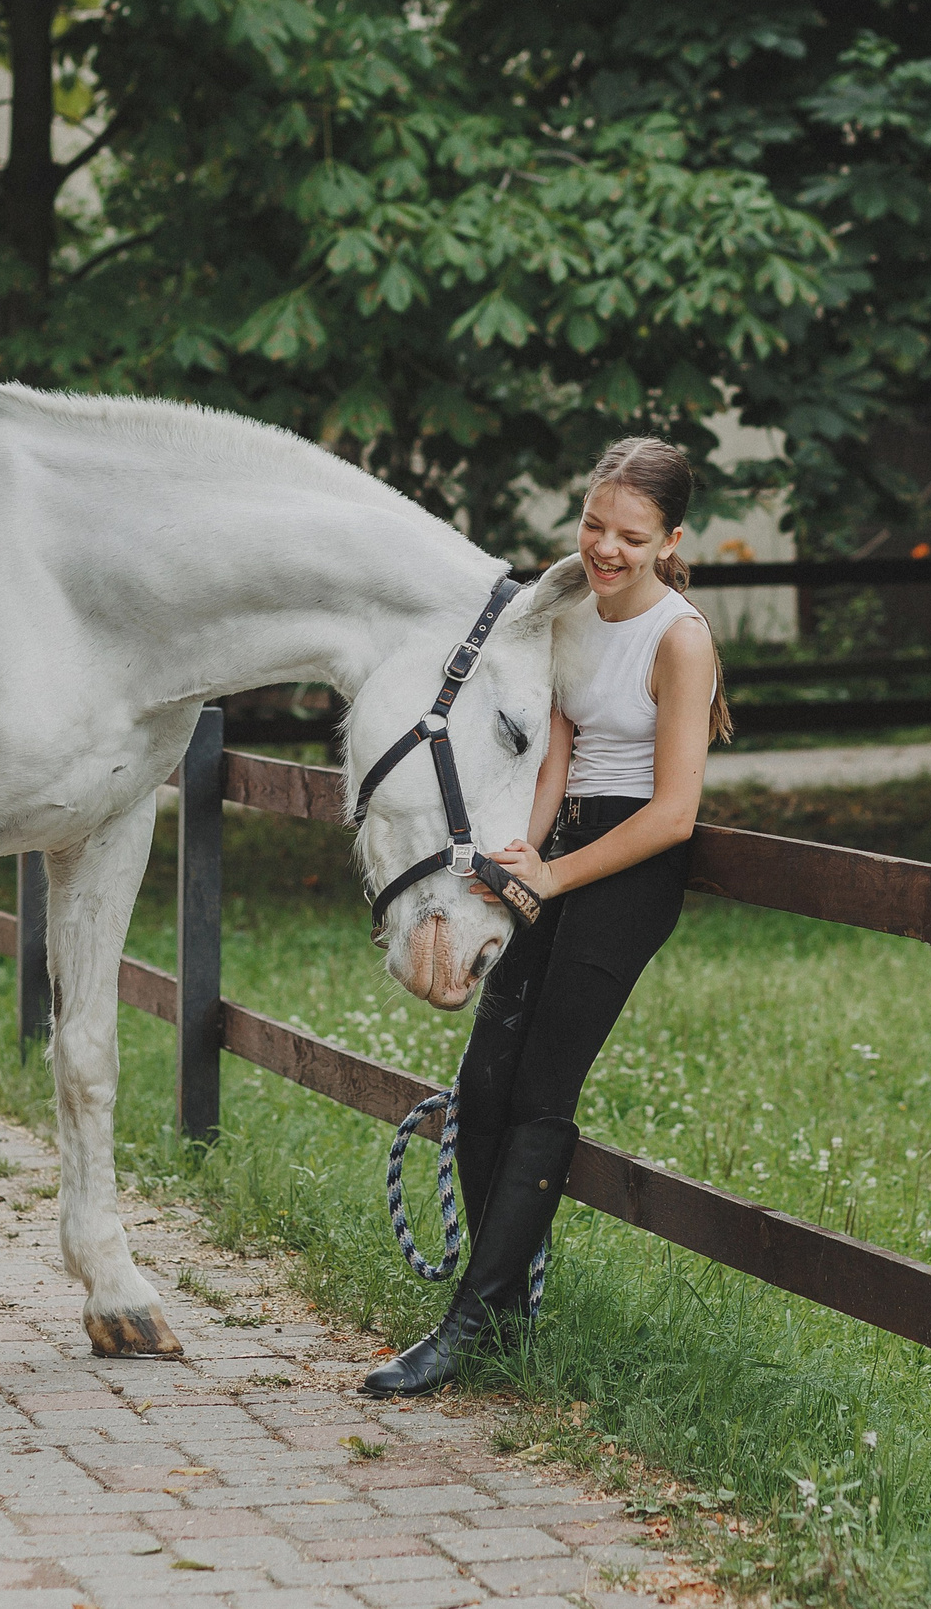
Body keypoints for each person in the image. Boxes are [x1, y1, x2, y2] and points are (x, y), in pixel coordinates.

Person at [364, 437, 732, 1397]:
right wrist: (513, 864)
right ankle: (507, 1308)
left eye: (632, 536)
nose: (607, 549)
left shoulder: (679, 639)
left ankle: (469, 1325)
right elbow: (557, 753)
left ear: (672, 541)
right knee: (483, 1086)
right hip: (559, 847)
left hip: (629, 865)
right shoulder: (569, 612)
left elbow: (674, 813)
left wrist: (559, 879)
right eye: (595, 526)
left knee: (540, 1094)